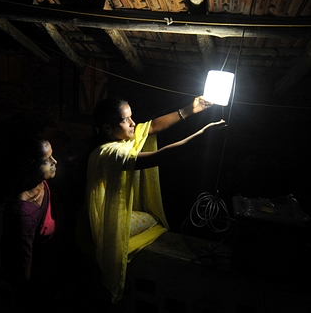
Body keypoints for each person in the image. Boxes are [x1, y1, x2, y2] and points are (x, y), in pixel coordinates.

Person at [78, 96, 227, 302]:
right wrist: (201, 135)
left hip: (93, 220)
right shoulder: (109, 153)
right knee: (153, 219)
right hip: (104, 226)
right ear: (107, 127)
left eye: (131, 117)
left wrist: (191, 109)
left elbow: (152, 127)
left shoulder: (118, 142)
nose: (132, 123)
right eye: (125, 120)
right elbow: (160, 156)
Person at [0, 134, 63, 313]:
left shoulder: (42, 185)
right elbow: (23, 265)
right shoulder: (24, 213)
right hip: (39, 284)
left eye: (52, 156)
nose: (55, 161)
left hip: (52, 273)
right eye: (47, 160)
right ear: (30, 166)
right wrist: (30, 300)